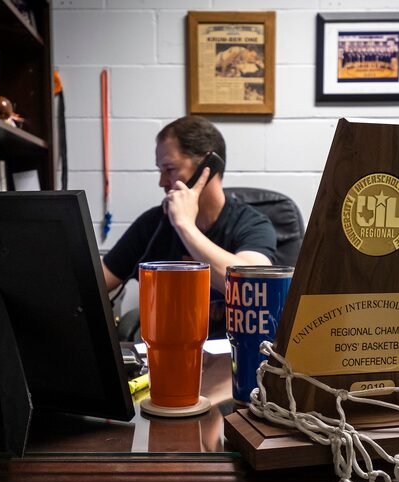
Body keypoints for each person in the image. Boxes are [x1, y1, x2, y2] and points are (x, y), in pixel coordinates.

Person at [101, 115, 277, 337]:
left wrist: (186, 227)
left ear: (208, 166)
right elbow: (98, 280)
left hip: (235, 358)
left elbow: (253, 286)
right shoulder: (153, 225)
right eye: (160, 170)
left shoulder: (252, 224)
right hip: (170, 354)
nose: (162, 182)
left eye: (170, 169)